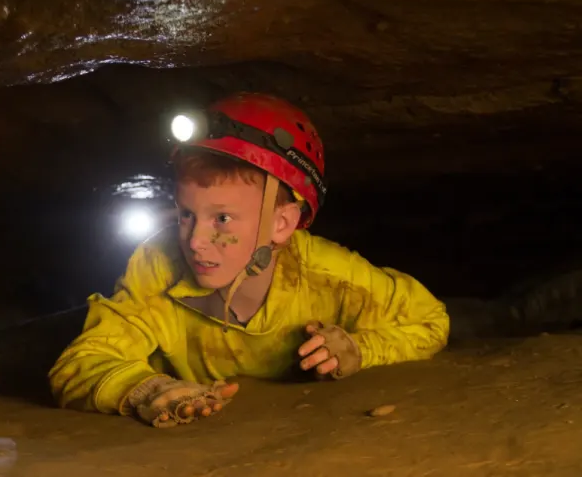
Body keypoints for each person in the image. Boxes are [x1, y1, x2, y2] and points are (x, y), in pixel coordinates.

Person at [48, 92, 450, 428]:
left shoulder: (327, 274)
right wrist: (145, 388)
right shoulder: (158, 262)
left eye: (222, 218)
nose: (195, 241)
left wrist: (361, 349)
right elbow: (82, 361)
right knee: (2, 357)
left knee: (468, 318)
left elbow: (430, 319)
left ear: (281, 223)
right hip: (126, 315)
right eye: (187, 214)